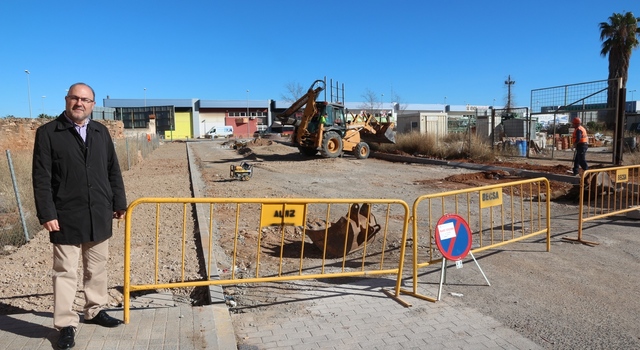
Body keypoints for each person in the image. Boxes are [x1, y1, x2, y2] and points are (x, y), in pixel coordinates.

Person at [32, 83, 127, 350]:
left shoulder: (101, 132)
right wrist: (47, 213)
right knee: (65, 273)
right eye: (75, 98)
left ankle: (95, 310)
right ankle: (65, 324)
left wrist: (119, 201)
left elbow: (113, 170)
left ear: (93, 104)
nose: (79, 103)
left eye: (85, 99)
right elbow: (41, 178)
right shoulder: (48, 133)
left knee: (97, 268)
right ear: (66, 100)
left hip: (99, 212)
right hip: (65, 215)